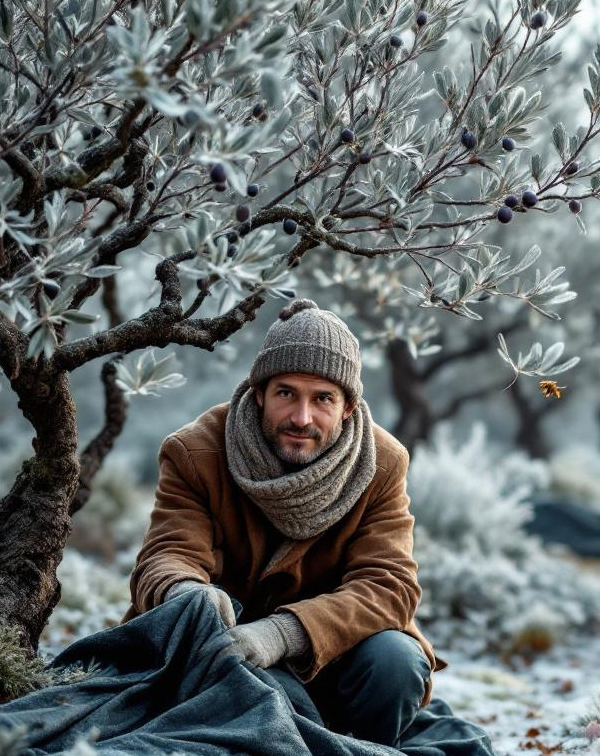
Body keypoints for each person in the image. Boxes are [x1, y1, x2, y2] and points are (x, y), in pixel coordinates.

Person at [121, 298, 447, 747]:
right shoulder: (195, 451)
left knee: (396, 662)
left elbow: (389, 587)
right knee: (255, 692)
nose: (301, 418)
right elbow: (167, 555)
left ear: (348, 406)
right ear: (260, 393)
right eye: (286, 393)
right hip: (222, 653)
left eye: (322, 398)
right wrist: (187, 594)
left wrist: (283, 633)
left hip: (329, 654)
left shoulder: (383, 462)